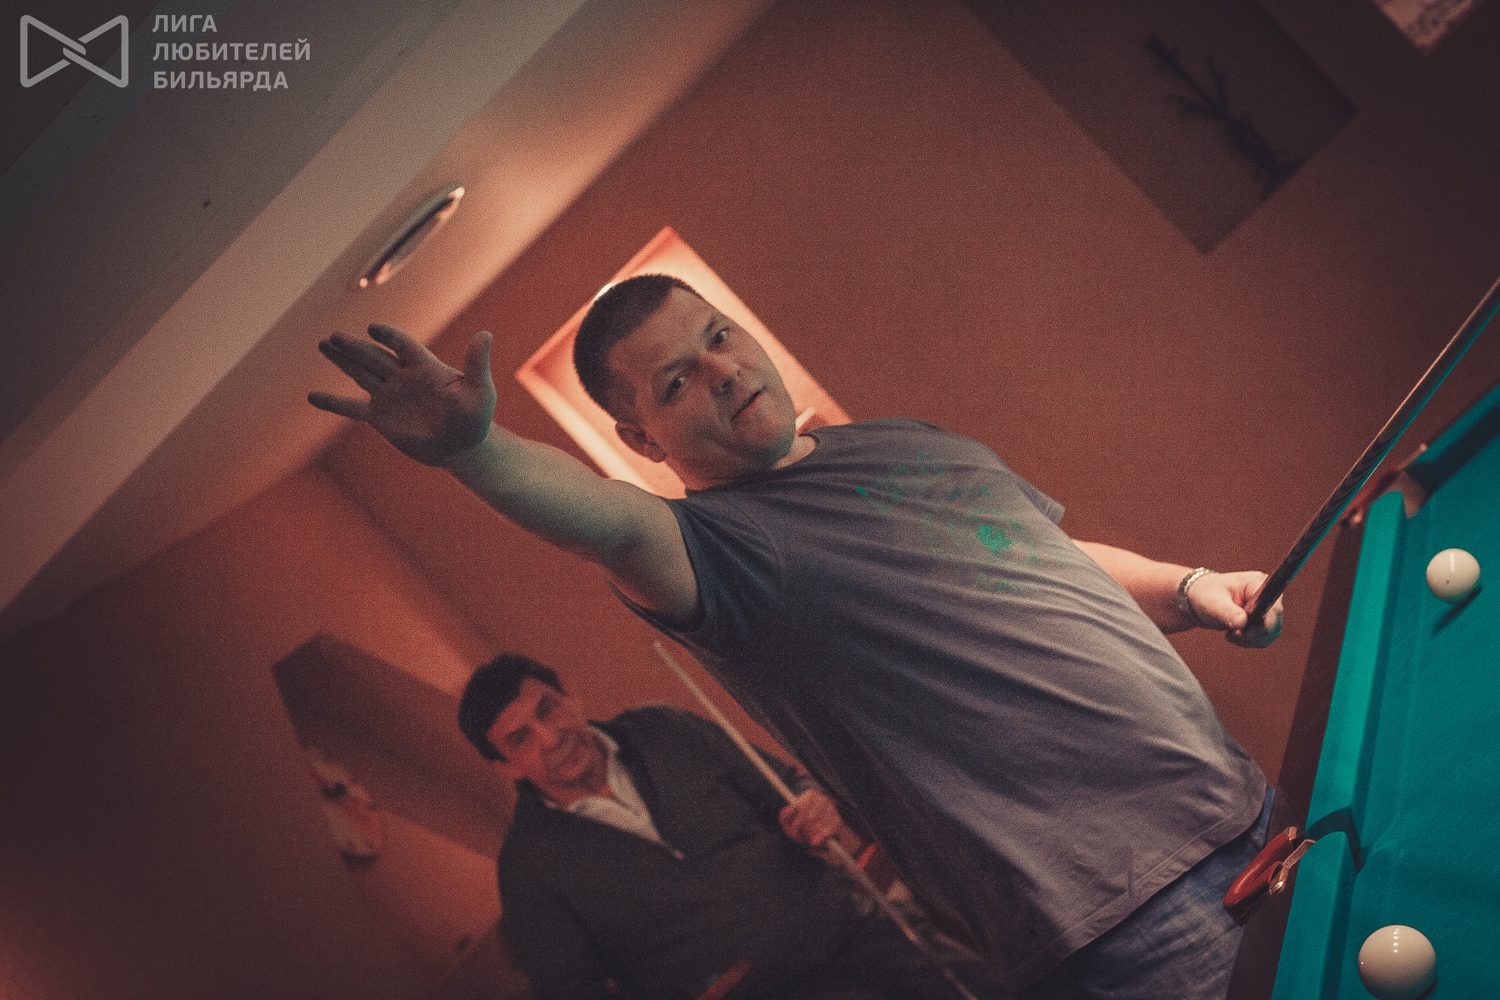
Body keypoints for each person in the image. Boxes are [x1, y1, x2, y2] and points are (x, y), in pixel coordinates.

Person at [309, 274, 1286, 998]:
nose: (723, 371)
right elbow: (602, 522)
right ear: (641, 439)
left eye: (719, 337)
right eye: (678, 381)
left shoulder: (905, 441)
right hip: (1134, 914)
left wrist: (1190, 587)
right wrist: (477, 452)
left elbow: (1051, 557)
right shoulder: (716, 554)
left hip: (1238, 801)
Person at [456, 653, 996, 1000]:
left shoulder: (662, 729)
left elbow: (784, 784)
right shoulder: (527, 869)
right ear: (504, 767)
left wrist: (810, 803)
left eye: (547, 710)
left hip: (850, 928)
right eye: (521, 739)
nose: (549, 738)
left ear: (569, 695)